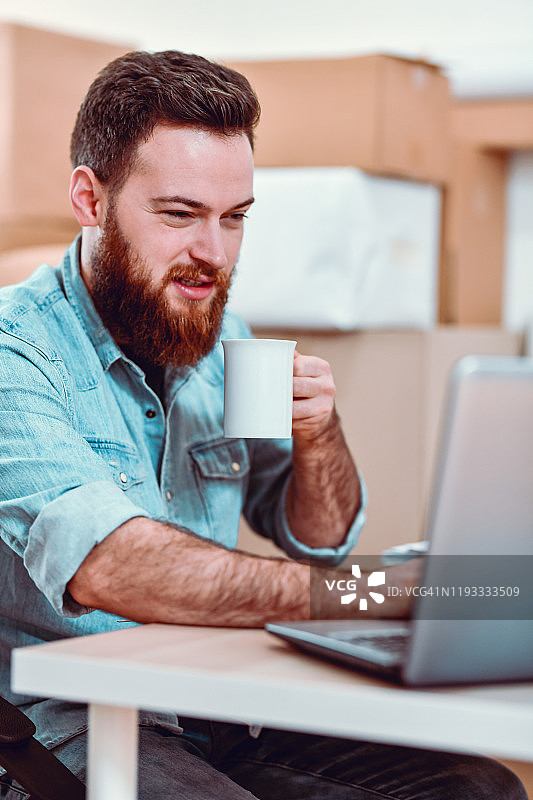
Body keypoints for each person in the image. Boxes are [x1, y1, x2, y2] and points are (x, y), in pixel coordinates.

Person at [0, 50, 526, 800]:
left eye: (234, 218)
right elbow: (112, 564)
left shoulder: (224, 337)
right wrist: (370, 593)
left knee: (475, 788)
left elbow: (315, 535)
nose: (212, 254)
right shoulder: (15, 354)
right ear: (90, 199)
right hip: (65, 726)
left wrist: (320, 438)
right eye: (179, 214)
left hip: (214, 705)